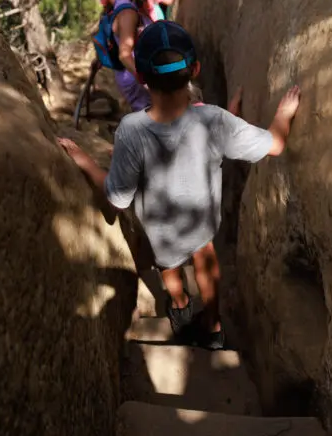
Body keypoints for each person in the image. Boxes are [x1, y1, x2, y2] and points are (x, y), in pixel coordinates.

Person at [58, 20, 301, 349]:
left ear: (141, 78)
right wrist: (283, 114)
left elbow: (118, 197)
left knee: (169, 269)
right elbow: (275, 144)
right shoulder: (214, 120)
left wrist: (86, 162)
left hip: (162, 231)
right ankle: (214, 326)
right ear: (195, 69)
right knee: (206, 260)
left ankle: (181, 308)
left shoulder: (131, 131)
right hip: (201, 222)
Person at [110, 0, 160, 112]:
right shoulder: (128, 12)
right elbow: (124, 55)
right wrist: (147, 81)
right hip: (136, 78)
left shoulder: (128, 0)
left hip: (136, 75)